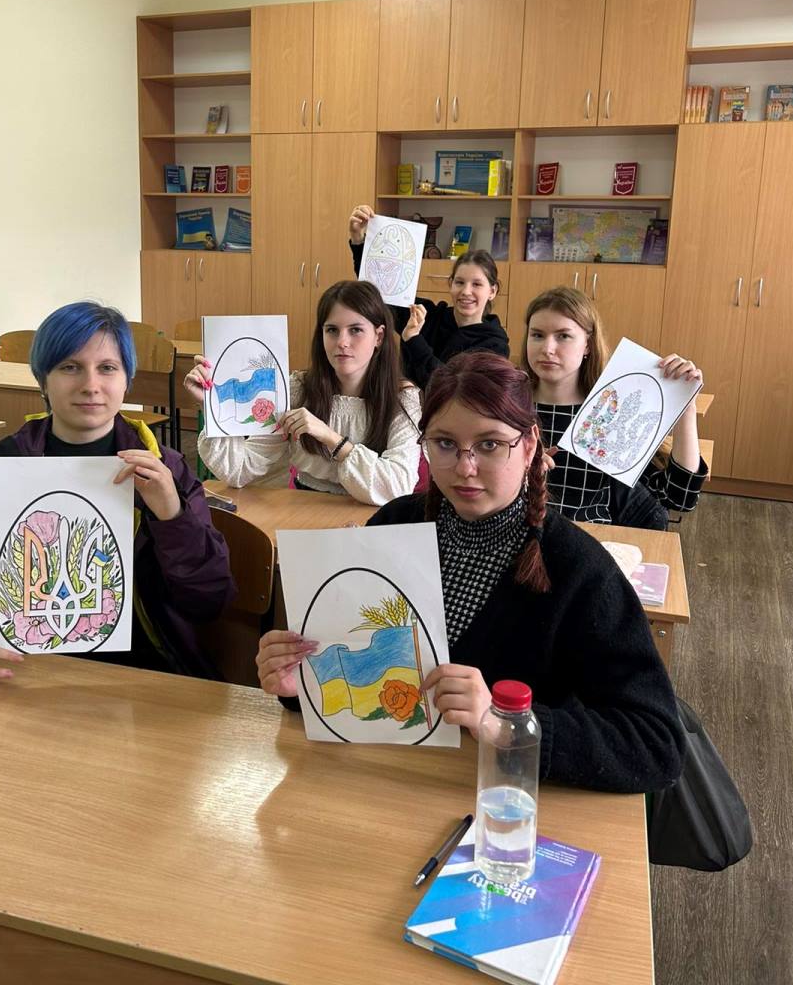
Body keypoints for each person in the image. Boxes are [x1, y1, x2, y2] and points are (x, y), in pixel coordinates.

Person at [256, 352, 683, 794]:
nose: (465, 468)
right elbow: (362, 682)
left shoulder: (577, 569)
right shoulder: (393, 527)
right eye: (444, 443)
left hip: (501, 801)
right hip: (386, 784)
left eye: (490, 444)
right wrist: (300, 684)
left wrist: (505, 720)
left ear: (530, 445)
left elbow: (656, 745)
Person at [0, 302, 235, 690]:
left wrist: (172, 516)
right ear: (43, 380)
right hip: (20, 673)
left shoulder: (167, 470)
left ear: (127, 380)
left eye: (107, 368)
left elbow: (209, 602)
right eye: (69, 367)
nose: (90, 385)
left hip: (146, 674)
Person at [188, 280, 421, 507]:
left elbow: (398, 486)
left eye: (356, 330)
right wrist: (213, 406)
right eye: (332, 330)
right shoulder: (298, 389)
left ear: (378, 336)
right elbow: (240, 470)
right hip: (305, 509)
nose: (342, 342)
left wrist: (331, 439)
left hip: (373, 519)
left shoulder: (403, 399)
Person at [523, 287, 708, 528]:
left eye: (563, 336)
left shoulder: (610, 411)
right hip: (521, 536)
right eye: (537, 335)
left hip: (594, 540)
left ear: (588, 345)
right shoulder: (508, 407)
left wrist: (686, 405)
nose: (547, 348)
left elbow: (678, 497)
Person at [348, 204, 509, 389]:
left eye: (477, 284)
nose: (466, 291)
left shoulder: (495, 344)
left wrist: (413, 339)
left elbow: (452, 388)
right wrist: (359, 240)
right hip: (407, 405)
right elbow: (381, 292)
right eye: (459, 282)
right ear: (450, 284)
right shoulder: (426, 316)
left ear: (492, 291)